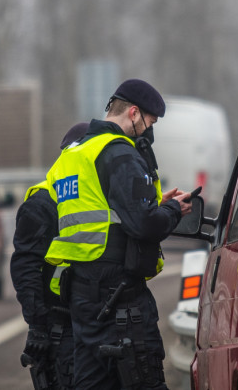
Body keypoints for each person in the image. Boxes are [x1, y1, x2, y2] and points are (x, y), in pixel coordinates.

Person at [44, 79, 192, 389]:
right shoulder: (119, 152)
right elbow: (145, 226)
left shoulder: (73, 155)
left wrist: (152, 204)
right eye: (149, 122)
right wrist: (173, 211)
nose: (148, 131)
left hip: (82, 297)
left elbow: (101, 210)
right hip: (121, 301)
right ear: (134, 113)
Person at [11, 121, 90, 390]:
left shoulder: (98, 198)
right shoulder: (43, 202)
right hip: (61, 326)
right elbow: (26, 266)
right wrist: (37, 325)